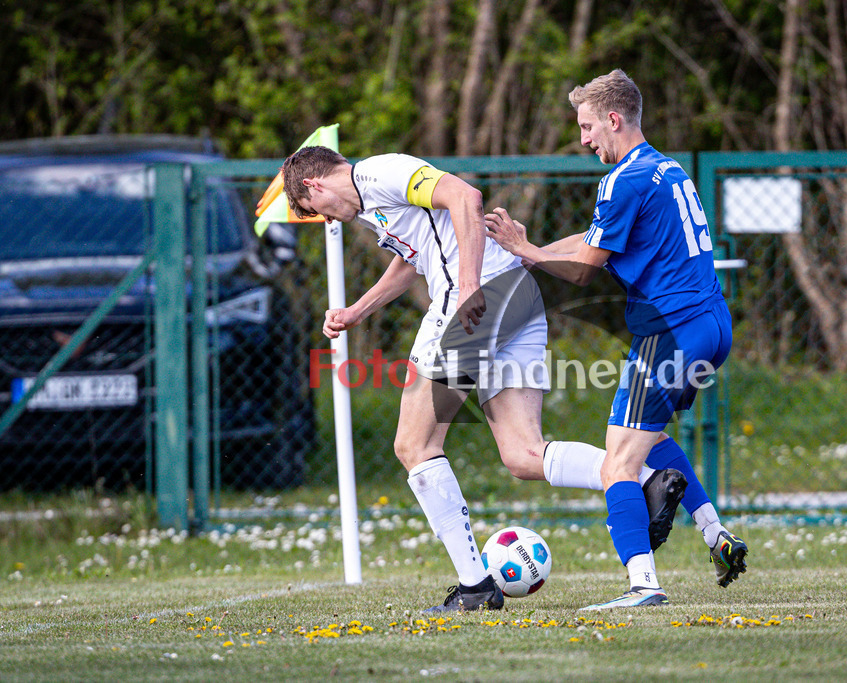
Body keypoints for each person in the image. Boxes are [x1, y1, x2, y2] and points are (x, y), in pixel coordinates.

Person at [281, 146, 686, 613]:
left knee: (414, 445)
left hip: (477, 303)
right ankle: (645, 480)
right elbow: (416, 259)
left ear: (314, 185)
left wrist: (470, 285)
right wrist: (356, 311)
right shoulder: (376, 204)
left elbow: (464, 196)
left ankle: (474, 587)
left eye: (319, 212)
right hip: (516, 299)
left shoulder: (378, 174)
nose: (330, 220)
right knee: (523, 454)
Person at [484, 69, 748, 610]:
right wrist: (524, 249)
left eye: (586, 127)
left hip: (667, 331)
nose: (583, 140)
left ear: (612, 119)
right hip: (711, 326)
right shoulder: (665, 170)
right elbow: (592, 240)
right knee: (649, 443)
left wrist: (526, 251)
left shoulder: (621, 179)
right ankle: (716, 536)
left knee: (617, 465)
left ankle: (644, 587)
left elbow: (583, 269)